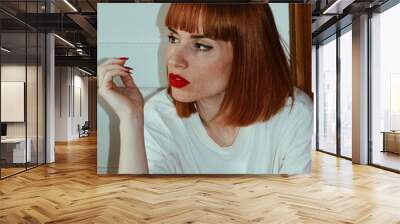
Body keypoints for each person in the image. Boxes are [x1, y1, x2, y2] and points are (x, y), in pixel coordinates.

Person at [98, 3, 313, 174]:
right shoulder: (159, 115)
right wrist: (132, 118)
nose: (174, 60)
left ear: (248, 55)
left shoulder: (294, 114)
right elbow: (137, 209)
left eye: (201, 45)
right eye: (173, 38)